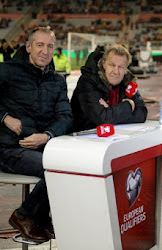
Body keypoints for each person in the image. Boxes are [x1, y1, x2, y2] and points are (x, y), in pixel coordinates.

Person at [0, 27, 73, 243]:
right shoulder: (6, 71)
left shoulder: (57, 81)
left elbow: (66, 117)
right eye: (39, 45)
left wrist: (47, 135)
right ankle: (25, 215)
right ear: (28, 47)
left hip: (42, 145)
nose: (45, 51)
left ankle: (40, 216)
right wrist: (4, 117)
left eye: (50, 46)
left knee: (73, 165)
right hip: (8, 147)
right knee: (53, 169)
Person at [71, 44, 147, 132]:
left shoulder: (127, 82)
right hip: (82, 139)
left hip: (113, 138)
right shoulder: (88, 81)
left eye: (121, 67)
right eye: (112, 65)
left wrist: (110, 112)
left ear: (126, 69)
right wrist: (129, 106)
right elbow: (102, 119)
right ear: (103, 64)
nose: (116, 72)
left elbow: (142, 114)